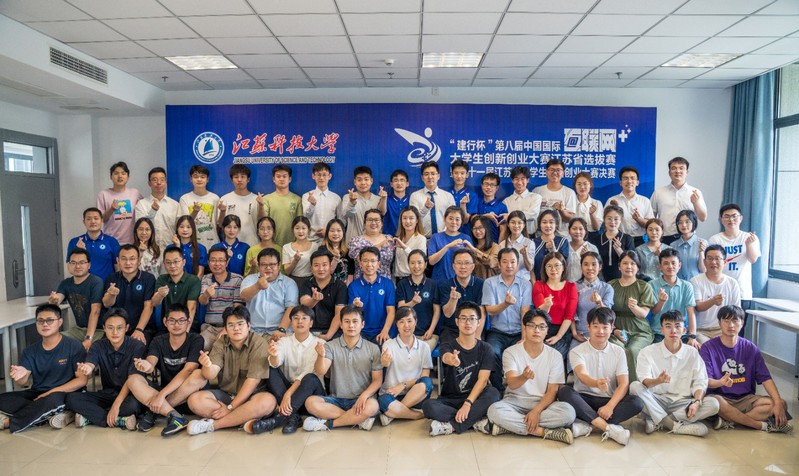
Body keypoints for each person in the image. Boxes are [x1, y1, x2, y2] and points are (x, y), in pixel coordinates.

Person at [482, 309, 576, 444]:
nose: (537, 330)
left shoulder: (555, 355)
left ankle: (510, 427)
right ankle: (544, 432)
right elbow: (512, 384)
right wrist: (523, 377)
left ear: (547, 330)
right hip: (515, 401)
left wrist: (536, 412)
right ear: (525, 328)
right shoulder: (511, 352)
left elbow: (552, 391)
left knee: (569, 412)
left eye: (541, 327)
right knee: (494, 411)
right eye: (532, 326)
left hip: (543, 404)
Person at [557, 307, 643, 446]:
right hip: (584, 400)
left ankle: (589, 426)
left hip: (608, 400)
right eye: (596, 326)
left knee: (637, 402)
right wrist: (595, 383)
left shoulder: (619, 351)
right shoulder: (577, 351)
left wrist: (610, 406)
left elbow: (623, 384)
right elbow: (582, 375)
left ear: (612, 328)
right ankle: (608, 428)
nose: (600, 331)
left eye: (605, 327)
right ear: (588, 327)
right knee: (564, 391)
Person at [700, 305, 793, 433]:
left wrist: (777, 403)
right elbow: (706, 381)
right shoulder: (707, 348)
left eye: (735, 321)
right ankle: (759, 425)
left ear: (742, 323)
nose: (731, 325)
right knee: (716, 402)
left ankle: (729, 421)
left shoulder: (750, 348)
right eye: (726, 321)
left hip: (745, 399)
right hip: (720, 398)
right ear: (719, 323)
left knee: (781, 404)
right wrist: (721, 382)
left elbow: (766, 378)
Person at [186, 306, 276, 435]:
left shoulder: (259, 343)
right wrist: (207, 365)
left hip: (252, 396)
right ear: (226, 328)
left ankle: (213, 425)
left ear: (248, 326)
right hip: (227, 395)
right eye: (231, 325)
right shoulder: (221, 343)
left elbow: (253, 381)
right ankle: (242, 419)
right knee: (194, 400)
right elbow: (210, 374)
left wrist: (230, 408)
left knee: (267, 402)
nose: (236, 328)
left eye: (240, 324)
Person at [630, 310, 720, 437]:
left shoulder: (692, 353)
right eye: (668, 326)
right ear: (661, 330)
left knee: (713, 404)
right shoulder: (647, 352)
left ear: (684, 330)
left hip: (682, 403)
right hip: (656, 399)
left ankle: (655, 419)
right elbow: (644, 381)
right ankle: (673, 425)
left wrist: (696, 402)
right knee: (634, 386)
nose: (673, 331)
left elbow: (700, 381)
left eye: (678, 326)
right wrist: (658, 381)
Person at [0, 304, 87, 433]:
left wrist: (49, 393)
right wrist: (20, 375)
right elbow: (22, 382)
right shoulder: (30, 351)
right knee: (3, 399)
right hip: (38, 392)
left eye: (49, 320)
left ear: (60, 322)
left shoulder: (74, 346)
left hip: (66, 393)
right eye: (40, 321)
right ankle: (51, 414)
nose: (45, 324)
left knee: (49, 401)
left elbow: (82, 380)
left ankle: (10, 422)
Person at [245, 305, 327, 435]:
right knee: (270, 367)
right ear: (291, 322)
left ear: (311, 323)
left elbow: (308, 373)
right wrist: (273, 356)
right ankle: (293, 417)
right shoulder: (284, 341)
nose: (300, 321)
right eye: (296, 318)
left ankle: (276, 420)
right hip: (286, 397)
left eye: (304, 318)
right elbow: (276, 363)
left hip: (310, 396)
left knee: (310, 378)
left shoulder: (319, 343)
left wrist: (288, 395)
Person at [126, 303, 205, 436]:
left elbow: (188, 371)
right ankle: (175, 416)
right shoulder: (158, 341)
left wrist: (161, 396)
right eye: (172, 320)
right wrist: (147, 366)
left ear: (188, 322)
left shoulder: (196, 339)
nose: (176, 324)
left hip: (185, 395)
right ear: (165, 322)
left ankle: (153, 412)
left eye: (181, 320)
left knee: (198, 375)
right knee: (133, 379)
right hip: (165, 392)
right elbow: (151, 361)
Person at [423, 302, 501, 436]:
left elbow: (483, 380)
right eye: (463, 318)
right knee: (428, 406)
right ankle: (475, 420)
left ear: (478, 322)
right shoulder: (447, 345)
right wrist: (451, 359)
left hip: (475, 398)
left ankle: (452, 426)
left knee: (494, 393)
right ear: (457, 322)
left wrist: (468, 404)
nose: (468, 322)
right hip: (451, 399)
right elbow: (445, 357)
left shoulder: (486, 348)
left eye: (472, 318)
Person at [303, 305, 382, 431]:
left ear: (362, 324)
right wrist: (320, 356)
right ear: (340, 324)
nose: (351, 325)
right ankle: (358, 419)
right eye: (347, 321)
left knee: (372, 405)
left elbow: (377, 380)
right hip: (336, 400)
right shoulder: (330, 346)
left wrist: (364, 396)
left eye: (355, 321)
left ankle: (329, 424)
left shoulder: (373, 348)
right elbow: (320, 371)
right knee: (310, 402)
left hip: (361, 399)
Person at [65, 308, 146, 430]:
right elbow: (90, 364)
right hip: (108, 394)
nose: (115, 332)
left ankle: (91, 417)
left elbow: (132, 380)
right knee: (72, 398)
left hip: (130, 395)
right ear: (104, 328)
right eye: (110, 327)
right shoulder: (98, 345)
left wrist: (116, 405)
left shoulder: (137, 346)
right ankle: (116, 420)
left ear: (127, 328)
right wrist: (87, 368)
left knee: (133, 405)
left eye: (119, 328)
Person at [482, 248, 533, 389]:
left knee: (524, 352)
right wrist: (506, 304)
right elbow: (490, 311)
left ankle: (519, 389)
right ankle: (498, 390)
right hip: (497, 332)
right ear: (499, 264)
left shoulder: (525, 284)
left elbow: (525, 313)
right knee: (492, 352)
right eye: (505, 262)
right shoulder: (489, 283)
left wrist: (524, 338)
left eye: (512, 262)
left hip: (519, 331)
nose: (509, 265)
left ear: (517, 264)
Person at [378, 307, 434, 425]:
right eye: (401, 322)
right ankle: (416, 415)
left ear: (415, 322)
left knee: (427, 382)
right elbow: (385, 362)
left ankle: (395, 413)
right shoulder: (389, 344)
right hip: (391, 394)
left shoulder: (424, 347)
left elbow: (424, 377)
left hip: (415, 394)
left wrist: (402, 385)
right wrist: (384, 361)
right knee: (383, 401)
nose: (406, 325)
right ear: (396, 324)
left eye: (409, 321)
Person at [608, 251, 656, 381]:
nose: (629, 266)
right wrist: (614, 330)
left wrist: (634, 307)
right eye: (625, 263)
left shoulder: (644, 286)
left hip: (639, 329)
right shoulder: (611, 285)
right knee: (618, 349)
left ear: (638, 267)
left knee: (632, 350)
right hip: (616, 328)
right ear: (619, 266)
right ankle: (617, 386)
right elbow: (606, 313)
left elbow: (644, 314)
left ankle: (634, 386)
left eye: (633, 263)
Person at [239, 247, 299, 340]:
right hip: (253, 331)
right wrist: (257, 286)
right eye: (264, 265)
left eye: (272, 264)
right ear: (258, 266)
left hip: (280, 331)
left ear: (279, 265)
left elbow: (291, 308)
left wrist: (282, 329)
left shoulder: (289, 283)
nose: (268, 268)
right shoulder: (250, 279)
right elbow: (244, 297)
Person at [50, 248, 104, 350]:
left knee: (87, 350)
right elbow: (58, 298)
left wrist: (88, 338)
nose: (77, 266)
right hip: (78, 329)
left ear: (89, 265)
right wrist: (54, 300)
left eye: (82, 262)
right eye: (73, 263)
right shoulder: (66, 283)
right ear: (69, 265)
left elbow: (95, 311)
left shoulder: (96, 282)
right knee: (53, 340)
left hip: (98, 330)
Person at [102, 244, 156, 344]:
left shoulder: (148, 278)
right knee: (103, 348)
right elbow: (106, 304)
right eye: (123, 259)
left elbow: (148, 307)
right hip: (117, 328)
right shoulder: (112, 278)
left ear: (139, 261)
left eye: (132, 259)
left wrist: (139, 330)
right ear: (118, 261)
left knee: (136, 347)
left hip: (142, 327)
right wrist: (111, 294)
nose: (128, 263)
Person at [709, 203, 761, 302]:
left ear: (741, 218)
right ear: (721, 220)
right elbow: (711, 265)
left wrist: (749, 245)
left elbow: (752, 259)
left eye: (734, 216)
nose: (731, 219)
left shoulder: (749, 238)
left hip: (742, 292)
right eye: (727, 216)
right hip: (720, 292)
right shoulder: (715, 240)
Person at [650, 156, 708, 244]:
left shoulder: (695, 192)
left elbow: (703, 218)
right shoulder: (659, 192)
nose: (677, 171)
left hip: (688, 238)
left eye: (681, 168)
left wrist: (696, 203)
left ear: (687, 172)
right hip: (665, 238)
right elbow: (651, 218)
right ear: (669, 172)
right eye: (674, 168)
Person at [691, 245, 742, 343]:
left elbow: (737, 312)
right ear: (704, 262)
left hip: (724, 329)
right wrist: (713, 301)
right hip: (701, 330)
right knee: (707, 348)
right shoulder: (695, 281)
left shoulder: (732, 283)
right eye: (709, 258)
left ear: (725, 262)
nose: (713, 262)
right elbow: (698, 307)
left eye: (717, 258)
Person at [649, 248, 699, 347]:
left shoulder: (687, 286)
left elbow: (691, 312)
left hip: (680, 332)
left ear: (679, 265)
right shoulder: (651, 285)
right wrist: (661, 302)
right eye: (666, 263)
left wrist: (692, 336)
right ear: (660, 266)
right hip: (658, 332)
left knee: (693, 349)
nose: (670, 266)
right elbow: (653, 311)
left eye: (673, 263)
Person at [198, 245, 244, 351]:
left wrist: (227, 328)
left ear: (226, 263)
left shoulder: (237, 279)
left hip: (231, 326)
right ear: (208, 263)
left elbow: (237, 308)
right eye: (213, 260)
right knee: (200, 345)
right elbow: (202, 301)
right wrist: (206, 294)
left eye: (221, 260)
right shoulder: (206, 278)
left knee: (228, 349)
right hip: (210, 328)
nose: (217, 264)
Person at [347, 246, 396, 345]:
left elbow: (391, 311)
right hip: (361, 332)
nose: (369, 264)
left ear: (379, 264)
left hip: (383, 331)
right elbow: (351, 313)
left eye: (373, 261)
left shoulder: (388, 284)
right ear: (360, 264)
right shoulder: (353, 286)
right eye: (365, 261)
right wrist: (356, 307)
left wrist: (385, 331)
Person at [533, 252, 577, 360]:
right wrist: (547, 306)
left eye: (557, 265)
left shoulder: (571, 287)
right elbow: (540, 313)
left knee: (553, 356)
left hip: (562, 331)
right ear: (545, 269)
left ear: (563, 267)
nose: (553, 269)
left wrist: (558, 336)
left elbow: (569, 316)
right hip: (542, 328)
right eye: (549, 266)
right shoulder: (539, 285)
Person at [439, 249, 486, 344]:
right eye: (459, 263)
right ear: (453, 266)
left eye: (467, 263)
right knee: (448, 351)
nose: (463, 267)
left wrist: (477, 336)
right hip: (452, 329)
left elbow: (482, 312)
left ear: (473, 266)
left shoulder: (481, 284)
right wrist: (453, 299)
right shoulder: (445, 285)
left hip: (473, 329)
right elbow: (447, 314)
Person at [299, 249, 347, 340]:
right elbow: (304, 304)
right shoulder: (306, 283)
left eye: (324, 265)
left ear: (330, 266)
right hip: (309, 330)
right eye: (316, 265)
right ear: (311, 268)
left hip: (333, 331)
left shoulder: (340, 286)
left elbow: (339, 313)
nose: (321, 269)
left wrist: (328, 335)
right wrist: (314, 300)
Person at [396, 250, 440, 349]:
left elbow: (437, 311)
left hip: (428, 333)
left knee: (423, 351)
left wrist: (431, 330)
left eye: (419, 262)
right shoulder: (402, 284)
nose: (416, 266)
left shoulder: (433, 284)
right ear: (408, 265)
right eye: (412, 263)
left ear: (425, 264)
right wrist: (412, 302)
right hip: (407, 333)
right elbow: (401, 307)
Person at [570, 252, 614, 351]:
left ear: (600, 267)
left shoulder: (607, 288)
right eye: (586, 264)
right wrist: (575, 333)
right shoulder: (574, 286)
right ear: (581, 267)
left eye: (594, 264)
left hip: (601, 334)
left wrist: (599, 302)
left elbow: (608, 315)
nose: (590, 268)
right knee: (573, 355)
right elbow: (571, 313)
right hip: (580, 334)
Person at [152, 247, 201, 331]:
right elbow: (154, 303)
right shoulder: (162, 279)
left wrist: (185, 332)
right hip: (168, 326)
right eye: (168, 262)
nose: (172, 266)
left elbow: (191, 307)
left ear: (183, 262)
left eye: (176, 262)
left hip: (188, 326)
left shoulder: (193, 280)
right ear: (164, 264)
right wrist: (160, 295)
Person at [66, 207, 120, 282]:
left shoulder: (112, 241)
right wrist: (79, 252)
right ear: (84, 222)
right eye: (89, 219)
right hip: (84, 285)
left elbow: (118, 268)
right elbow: (70, 269)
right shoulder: (74, 242)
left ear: (101, 220)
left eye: (96, 218)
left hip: (107, 285)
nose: (93, 221)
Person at [606, 166, 654, 247]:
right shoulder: (612, 200)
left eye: (632, 178)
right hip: (618, 239)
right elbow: (606, 223)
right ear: (620, 182)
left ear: (637, 182)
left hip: (639, 240)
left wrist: (639, 219)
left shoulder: (645, 201)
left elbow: (651, 225)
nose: (629, 181)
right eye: (625, 178)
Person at [96, 161, 142, 245]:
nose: (120, 176)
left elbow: (143, 214)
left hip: (132, 241)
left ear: (128, 177)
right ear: (111, 177)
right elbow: (101, 219)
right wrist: (111, 209)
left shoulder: (135, 193)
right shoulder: (103, 194)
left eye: (123, 173)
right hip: (111, 241)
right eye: (116, 173)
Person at [135, 167, 179, 253]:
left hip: (170, 250)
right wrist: (153, 211)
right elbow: (140, 227)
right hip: (148, 251)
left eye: (162, 180)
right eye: (154, 180)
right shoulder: (141, 204)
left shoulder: (175, 205)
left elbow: (179, 228)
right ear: (149, 183)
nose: (158, 183)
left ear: (166, 183)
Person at [259, 164, 303, 247]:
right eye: (278, 176)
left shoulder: (297, 199)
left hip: (292, 245)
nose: (281, 179)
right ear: (274, 179)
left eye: (284, 176)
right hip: (271, 244)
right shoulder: (266, 199)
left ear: (289, 179)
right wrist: (261, 205)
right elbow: (262, 220)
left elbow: (300, 223)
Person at [178, 164, 220, 251]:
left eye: (202, 177)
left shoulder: (215, 198)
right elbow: (185, 223)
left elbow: (219, 223)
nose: (199, 179)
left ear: (207, 179)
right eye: (196, 177)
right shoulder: (184, 198)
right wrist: (195, 211)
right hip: (191, 244)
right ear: (191, 179)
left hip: (212, 243)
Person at [588, 205, 634, 282]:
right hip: (600, 280)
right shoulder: (596, 239)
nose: (612, 222)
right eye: (609, 218)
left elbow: (632, 263)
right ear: (604, 219)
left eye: (616, 219)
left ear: (621, 220)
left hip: (622, 279)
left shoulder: (627, 239)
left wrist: (619, 251)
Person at [410, 160, 456, 238]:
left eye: (433, 174)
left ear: (438, 176)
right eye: (426, 174)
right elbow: (413, 220)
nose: (430, 177)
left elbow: (453, 218)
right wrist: (425, 208)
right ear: (422, 177)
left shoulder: (448, 196)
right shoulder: (415, 196)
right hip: (422, 239)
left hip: (444, 238)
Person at [532, 158, 577, 237]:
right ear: (546, 172)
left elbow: (571, 219)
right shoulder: (537, 191)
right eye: (552, 170)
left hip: (561, 237)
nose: (555, 173)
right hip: (540, 236)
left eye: (558, 170)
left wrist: (561, 211)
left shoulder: (569, 193)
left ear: (563, 173)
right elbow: (533, 216)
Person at [217, 164, 260, 246]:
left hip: (252, 243)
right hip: (230, 244)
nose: (239, 180)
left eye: (242, 177)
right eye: (236, 177)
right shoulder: (225, 199)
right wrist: (222, 211)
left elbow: (261, 221)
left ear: (248, 179)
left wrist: (261, 205)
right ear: (232, 180)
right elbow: (220, 224)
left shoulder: (256, 199)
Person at [428, 206, 472, 282]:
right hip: (439, 282)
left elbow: (471, 263)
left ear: (461, 221)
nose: (454, 222)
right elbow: (431, 261)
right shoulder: (435, 237)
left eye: (457, 219)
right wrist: (447, 246)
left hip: (460, 282)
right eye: (451, 218)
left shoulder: (466, 238)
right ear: (445, 219)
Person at [348, 209, 396, 279]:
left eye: (377, 220)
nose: (373, 223)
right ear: (364, 224)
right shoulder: (356, 241)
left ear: (382, 223)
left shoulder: (389, 239)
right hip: (362, 281)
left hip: (385, 281)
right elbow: (360, 258)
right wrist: (380, 245)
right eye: (370, 220)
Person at [340, 166, 381, 244]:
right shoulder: (347, 197)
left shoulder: (378, 199)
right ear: (355, 182)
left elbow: (382, 217)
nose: (363, 183)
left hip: (373, 245)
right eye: (359, 180)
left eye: (366, 179)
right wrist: (352, 202)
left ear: (371, 181)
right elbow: (346, 215)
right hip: (353, 244)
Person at [301, 162, 341, 243]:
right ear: (313, 176)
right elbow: (305, 217)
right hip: (310, 240)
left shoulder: (336, 198)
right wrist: (312, 205)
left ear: (330, 176)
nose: (321, 178)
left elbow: (340, 221)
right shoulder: (306, 196)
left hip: (330, 240)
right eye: (318, 175)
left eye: (324, 175)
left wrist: (328, 231)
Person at [503, 165, 542, 237]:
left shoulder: (536, 197)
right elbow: (506, 219)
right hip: (512, 236)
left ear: (528, 180)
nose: (519, 182)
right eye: (516, 179)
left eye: (523, 179)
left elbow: (533, 215)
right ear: (512, 181)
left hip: (530, 236)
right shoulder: (506, 201)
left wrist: (511, 217)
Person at [531, 210, 570, 279]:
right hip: (538, 282)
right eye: (544, 222)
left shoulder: (562, 241)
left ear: (556, 224)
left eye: (551, 222)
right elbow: (530, 268)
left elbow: (563, 265)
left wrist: (553, 250)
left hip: (557, 283)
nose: (548, 225)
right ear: (539, 224)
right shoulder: (533, 242)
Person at [497, 210, 534, 281]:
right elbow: (500, 267)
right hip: (505, 282)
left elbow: (529, 268)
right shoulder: (502, 244)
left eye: (519, 223)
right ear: (508, 224)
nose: (516, 226)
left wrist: (525, 255)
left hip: (523, 282)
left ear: (524, 225)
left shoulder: (529, 243)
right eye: (513, 222)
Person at [393, 206, 427, 280]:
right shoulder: (399, 238)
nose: (407, 221)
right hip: (398, 278)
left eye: (411, 218)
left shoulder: (421, 239)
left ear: (417, 220)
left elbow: (420, 260)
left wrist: (405, 247)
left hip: (412, 278)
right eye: (404, 218)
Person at [672, 210, 707, 281]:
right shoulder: (673, 245)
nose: (684, 225)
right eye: (680, 222)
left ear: (694, 222)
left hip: (697, 284)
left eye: (687, 222)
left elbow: (703, 270)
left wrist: (701, 252)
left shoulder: (703, 243)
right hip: (678, 284)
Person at [282, 216, 319, 285]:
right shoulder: (286, 247)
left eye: (303, 228)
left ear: (309, 230)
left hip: (311, 281)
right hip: (293, 281)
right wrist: (295, 260)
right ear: (292, 230)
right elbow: (287, 272)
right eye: (297, 228)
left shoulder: (315, 246)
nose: (300, 231)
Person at [477, 172, 508, 243]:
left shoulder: (501, 207)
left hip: (493, 243)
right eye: (486, 184)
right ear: (482, 186)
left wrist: (499, 247)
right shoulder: (476, 202)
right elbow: (471, 220)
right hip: (476, 243)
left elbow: (503, 230)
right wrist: (485, 216)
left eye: (492, 185)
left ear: (497, 188)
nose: (488, 187)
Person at [449, 159, 478, 235]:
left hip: (465, 235)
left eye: (462, 173)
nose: (459, 176)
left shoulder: (472, 195)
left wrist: (463, 205)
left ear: (467, 175)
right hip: (447, 235)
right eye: (456, 173)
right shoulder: (446, 194)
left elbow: (465, 220)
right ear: (452, 174)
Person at [565, 217, 598, 283]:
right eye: (574, 229)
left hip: (584, 285)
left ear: (585, 231)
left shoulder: (592, 248)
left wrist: (586, 257)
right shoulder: (564, 246)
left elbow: (595, 269)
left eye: (580, 229)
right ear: (569, 231)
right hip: (566, 285)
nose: (577, 232)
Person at [381, 169, 411, 237]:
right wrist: (383, 199)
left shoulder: (412, 199)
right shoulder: (386, 199)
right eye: (396, 180)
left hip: (408, 238)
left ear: (407, 184)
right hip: (389, 238)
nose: (399, 183)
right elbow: (381, 213)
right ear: (391, 184)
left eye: (402, 180)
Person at [323, 218, 354, 284]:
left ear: (343, 233)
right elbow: (328, 272)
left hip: (344, 286)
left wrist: (348, 284)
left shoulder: (347, 251)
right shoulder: (322, 250)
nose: (335, 233)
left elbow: (351, 272)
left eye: (339, 230)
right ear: (327, 233)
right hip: (329, 286)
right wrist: (336, 258)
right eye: (332, 231)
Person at [468, 215, 499, 279]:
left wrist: (475, 251)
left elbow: (492, 263)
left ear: (486, 228)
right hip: (474, 283)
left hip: (489, 283)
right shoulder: (470, 246)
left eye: (480, 227)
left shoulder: (495, 246)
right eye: (474, 228)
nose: (477, 231)